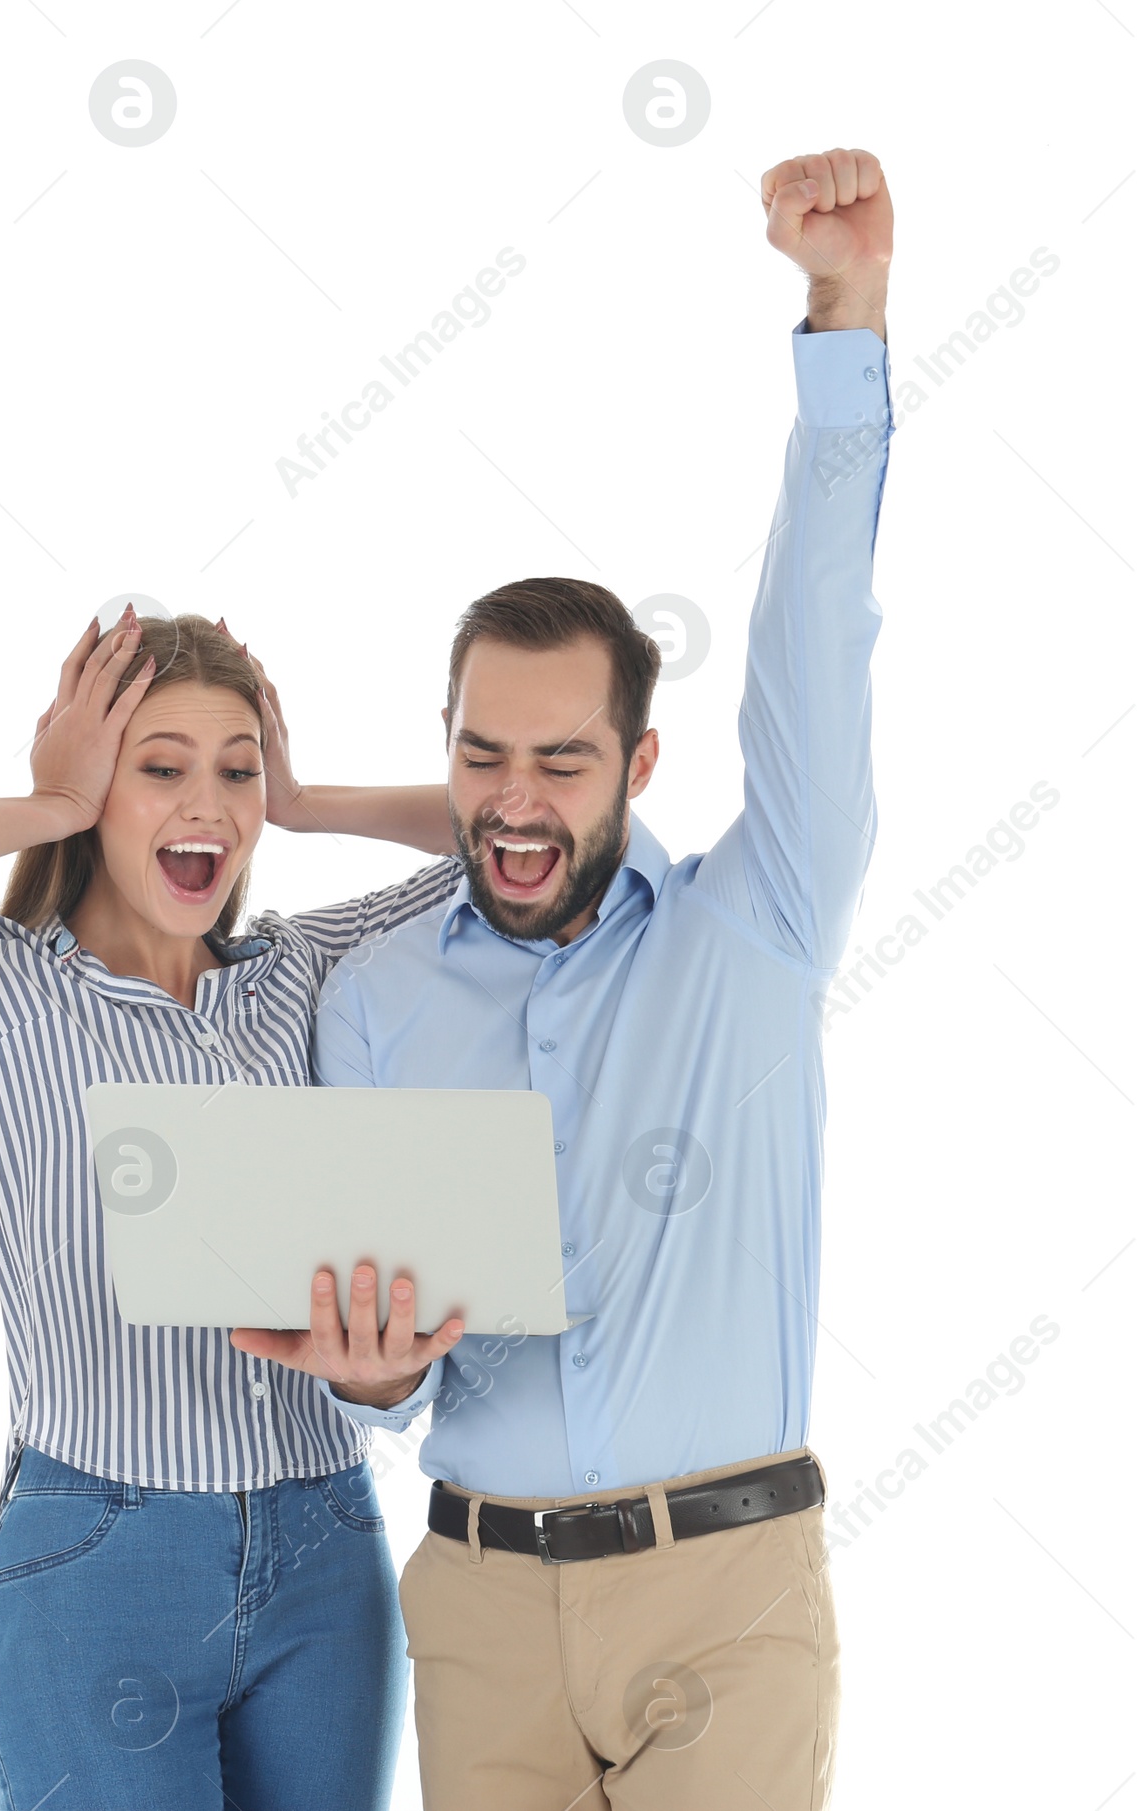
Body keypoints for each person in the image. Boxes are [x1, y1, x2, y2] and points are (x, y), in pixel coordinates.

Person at [229, 146, 895, 1809]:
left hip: (722, 1596)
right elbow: (396, 1371)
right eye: (480, 753)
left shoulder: (760, 922)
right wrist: (372, 1369)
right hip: (477, 1604)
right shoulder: (375, 998)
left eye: (562, 761)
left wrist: (843, 317)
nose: (514, 801)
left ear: (639, 757)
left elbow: (822, 630)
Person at [0, 610, 466, 1811]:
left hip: (325, 1549)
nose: (206, 803)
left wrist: (307, 800)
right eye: (159, 768)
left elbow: (521, 837)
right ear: (102, 785)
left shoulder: (303, 971)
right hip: (98, 1560)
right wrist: (48, 798)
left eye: (236, 769)